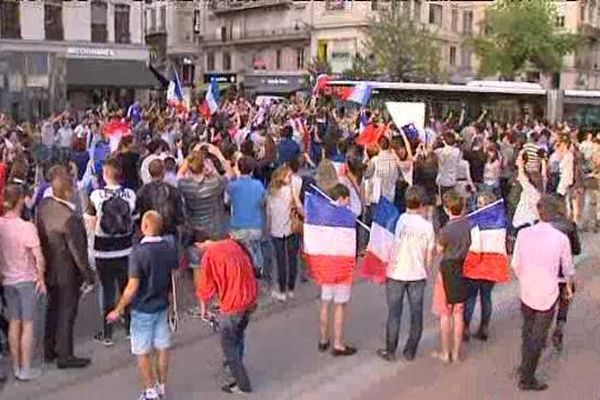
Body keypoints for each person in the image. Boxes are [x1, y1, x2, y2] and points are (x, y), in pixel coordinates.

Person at [107, 211, 179, 400]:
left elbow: (132, 286)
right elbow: (173, 276)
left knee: (143, 352)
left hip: (142, 308)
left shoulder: (138, 252)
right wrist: (171, 303)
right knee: (162, 347)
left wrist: (119, 308)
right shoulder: (168, 247)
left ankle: (150, 390)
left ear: (144, 226)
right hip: (162, 305)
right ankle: (162, 385)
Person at [512, 195, 574, 391]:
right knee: (539, 335)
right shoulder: (561, 238)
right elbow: (568, 268)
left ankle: (524, 367)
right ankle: (528, 377)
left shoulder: (523, 234)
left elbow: (515, 264)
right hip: (548, 290)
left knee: (527, 330)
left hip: (527, 288)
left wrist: (524, 278)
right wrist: (570, 287)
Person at [36, 171, 95, 369]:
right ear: (68, 191)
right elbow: (78, 252)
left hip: (50, 265)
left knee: (52, 309)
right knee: (67, 313)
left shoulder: (43, 207)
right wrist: (88, 275)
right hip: (67, 271)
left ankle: (49, 349)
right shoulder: (71, 218)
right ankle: (65, 354)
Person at [196, 229, 258, 394]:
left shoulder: (209, 256)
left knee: (228, 344)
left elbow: (205, 288)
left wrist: (204, 310)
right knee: (239, 335)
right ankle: (236, 364)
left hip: (233, 304)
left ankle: (242, 382)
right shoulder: (233, 244)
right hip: (249, 298)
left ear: (199, 244)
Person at [376, 186, 434, 362]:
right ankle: (410, 350)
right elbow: (429, 256)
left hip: (396, 272)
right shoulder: (427, 227)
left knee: (394, 313)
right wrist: (426, 270)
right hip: (417, 273)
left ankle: (390, 350)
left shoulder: (399, 219)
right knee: (416, 314)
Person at [87, 157, 137, 346]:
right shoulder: (130, 195)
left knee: (107, 290)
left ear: (105, 175)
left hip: (103, 249)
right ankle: (129, 327)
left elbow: (90, 223)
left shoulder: (95, 195)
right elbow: (134, 219)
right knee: (126, 288)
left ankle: (107, 332)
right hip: (125, 248)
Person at [0, 185, 45, 380]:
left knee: (13, 323)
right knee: (28, 324)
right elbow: (39, 257)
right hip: (26, 279)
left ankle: (16, 366)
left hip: (7, 279)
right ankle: (25, 368)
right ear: (20, 201)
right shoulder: (27, 227)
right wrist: (41, 277)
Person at [317, 184, 357, 357]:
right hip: (341, 265)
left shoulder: (322, 215)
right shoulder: (347, 217)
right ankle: (338, 344)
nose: (349, 203)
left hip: (325, 264)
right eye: (347, 199)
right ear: (341, 198)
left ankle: (323, 339)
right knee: (340, 305)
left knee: (325, 303)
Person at [431, 189, 471, 364]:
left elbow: (438, 250)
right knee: (458, 313)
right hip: (462, 267)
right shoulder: (467, 226)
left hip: (447, 267)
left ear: (447, 210)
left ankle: (445, 352)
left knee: (445, 313)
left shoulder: (446, 230)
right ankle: (456, 353)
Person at [547, 195, 581, 352]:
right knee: (564, 300)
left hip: (546, 270)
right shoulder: (569, 225)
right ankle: (559, 327)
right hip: (563, 270)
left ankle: (542, 331)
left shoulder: (542, 225)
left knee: (546, 303)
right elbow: (576, 249)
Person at [463, 191, 497, 342]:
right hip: (491, 265)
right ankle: (484, 327)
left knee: (470, 297)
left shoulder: (473, 221)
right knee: (486, 297)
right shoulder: (499, 222)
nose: (478, 205)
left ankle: (465, 327)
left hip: (476, 264)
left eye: (482, 203)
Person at [266, 165, 303, 301]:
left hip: (276, 230)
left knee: (281, 261)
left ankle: (282, 290)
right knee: (292, 259)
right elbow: (299, 207)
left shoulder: (270, 192)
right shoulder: (290, 191)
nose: (291, 178)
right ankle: (291, 288)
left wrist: (269, 227)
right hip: (290, 229)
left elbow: (269, 213)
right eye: (289, 176)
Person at [227, 156, 266, 277]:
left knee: (241, 252)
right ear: (252, 170)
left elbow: (227, 202)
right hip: (255, 225)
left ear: (239, 168)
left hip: (238, 226)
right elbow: (263, 202)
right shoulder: (258, 185)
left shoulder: (232, 186)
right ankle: (258, 269)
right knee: (256, 248)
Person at [136, 159, 185, 239]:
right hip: (169, 233)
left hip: (149, 233)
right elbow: (180, 215)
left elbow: (139, 215)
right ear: (163, 171)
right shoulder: (172, 191)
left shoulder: (142, 192)